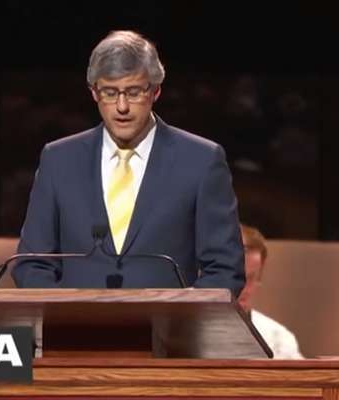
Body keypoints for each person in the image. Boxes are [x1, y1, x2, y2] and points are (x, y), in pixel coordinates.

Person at [12, 30, 245, 295]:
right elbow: (31, 264)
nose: (121, 107)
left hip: (169, 323)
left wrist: (180, 315)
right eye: (110, 93)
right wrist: (66, 312)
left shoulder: (201, 160)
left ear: (155, 90)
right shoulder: (59, 160)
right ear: (94, 92)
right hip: (74, 321)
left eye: (133, 92)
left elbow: (225, 270)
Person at [239, 223, 303, 359]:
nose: (241, 287)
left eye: (250, 278)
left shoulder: (280, 339)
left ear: (259, 278)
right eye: (235, 277)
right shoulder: (191, 334)